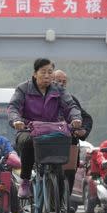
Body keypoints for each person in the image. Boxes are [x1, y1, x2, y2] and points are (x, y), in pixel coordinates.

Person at [8, 58, 82, 198]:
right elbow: (13, 107)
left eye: (50, 72)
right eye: (43, 72)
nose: (47, 75)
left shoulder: (58, 90)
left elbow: (71, 106)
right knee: (29, 142)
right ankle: (25, 180)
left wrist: (76, 118)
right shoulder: (23, 89)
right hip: (28, 130)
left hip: (52, 131)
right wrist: (16, 120)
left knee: (59, 169)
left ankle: (59, 207)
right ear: (35, 74)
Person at [53, 69, 92, 192]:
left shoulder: (71, 99)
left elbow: (86, 118)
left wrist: (83, 130)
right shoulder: (43, 98)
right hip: (48, 141)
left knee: (70, 171)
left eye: (64, 81)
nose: (62, 84)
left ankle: (65, 200)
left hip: (69, 141)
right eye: (58, 81)